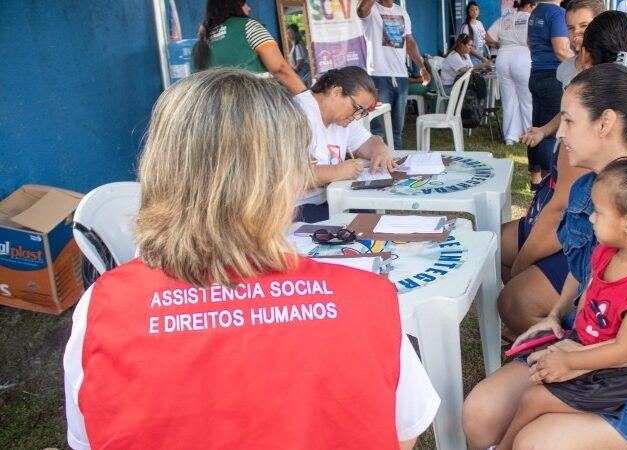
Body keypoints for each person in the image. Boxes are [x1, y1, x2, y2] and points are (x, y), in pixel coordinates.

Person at [63, 68, 439, 450]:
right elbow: (405, 430)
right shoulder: (368, 300)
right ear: (285, 177)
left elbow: (89, 436)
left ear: (161, 168)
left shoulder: (104, 308)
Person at [463, 63, 627, 450]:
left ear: (605, 123)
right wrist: (554, 315)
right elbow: (585, 270)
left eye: (568, 120)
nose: (559, 133)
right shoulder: (586, 189)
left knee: (536, 443)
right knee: (478, 413)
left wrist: (585, 359)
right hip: (585, 339)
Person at [495, 155, 627, 450]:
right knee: (531, 394)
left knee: (534, 398)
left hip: (613, 375)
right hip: (586, 350)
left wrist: (571, 360)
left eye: (599, 213)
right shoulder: (608, 250)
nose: (591, 217)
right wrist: (560, 324)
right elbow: (584, 287)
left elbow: (626, 349)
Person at [500, 11, 627, 338]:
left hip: (599, 255)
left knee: (512, 301)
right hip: (591, 245)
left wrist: (522, 268)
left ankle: (562, 335)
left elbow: (563, 215)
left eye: (567, 121)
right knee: (495, 251)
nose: (560, 131)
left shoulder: (589, 135)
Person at [294, 66, 397, 223]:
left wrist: (380, 149)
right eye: (357, 108)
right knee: (354, 226)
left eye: (361, 112)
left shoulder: (342, 119)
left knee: (368, 219)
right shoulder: (298, 113)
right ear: (336, 92)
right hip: (295, 207)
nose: (356, 117)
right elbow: (292, 177)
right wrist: (336, 171)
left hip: (329, 197)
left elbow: (367, 142)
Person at [357, 0, 430, 150]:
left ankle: (396, 164)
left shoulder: (402, 12)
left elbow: (409, 42)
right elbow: (361, 9)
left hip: (401, 76)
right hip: (378, 76)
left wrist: (421, 67)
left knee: (397, 128)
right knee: (378, 128)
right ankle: (380, 167)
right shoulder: (372, 9)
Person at [191, 0, 306, 94]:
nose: (248, 7)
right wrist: (307, 98)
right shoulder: (249, 26)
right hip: (255, 111)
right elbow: (280, 69)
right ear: (234, 5)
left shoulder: (200, 44)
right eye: (244, 2)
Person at [526, 0, 574, 189]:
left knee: (536, 127)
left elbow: (530, 43)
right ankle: (548, 182)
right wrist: (582, 64)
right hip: (553, 75)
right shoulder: (557, 13)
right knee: (549, 132)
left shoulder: (536, 11)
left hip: (536, 72)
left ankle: (535, 178)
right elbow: (561, 49)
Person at [492, 0, 536, 146]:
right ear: (529, 5)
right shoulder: (531, 18)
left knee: (509, 99)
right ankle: (529, 134)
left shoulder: (505, 18)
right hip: (523, 57)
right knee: (527, 99)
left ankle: (510, 136)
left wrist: (499, 45)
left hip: (503, 57)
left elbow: (487, 36)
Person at [556, 0, 607, 88]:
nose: (576, 31)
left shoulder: (615, 67)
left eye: (584, 25)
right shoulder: (564, 68)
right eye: (571, 28)